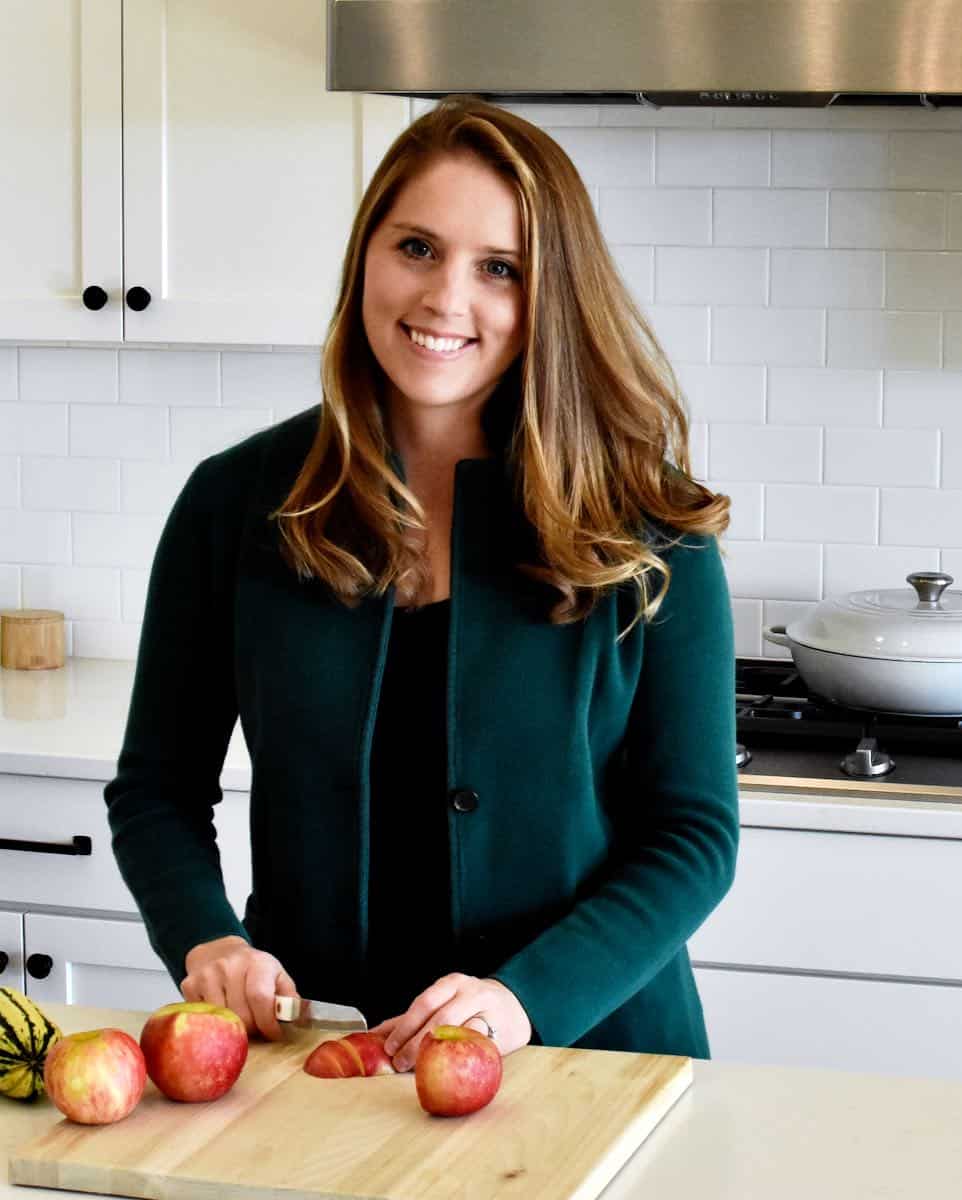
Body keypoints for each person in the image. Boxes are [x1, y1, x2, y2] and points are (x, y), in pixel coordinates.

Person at [104, 96, 738, 1072]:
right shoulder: (236, 504)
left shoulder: (652, 531)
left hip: (592, 1056)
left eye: (499, 268)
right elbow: (157, 789)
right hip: (320, 1057)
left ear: (547, 298)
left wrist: (528, 999)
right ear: (367, 256)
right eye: (416, 248)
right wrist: (207, 939)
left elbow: (694, 834)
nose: (446, 298)